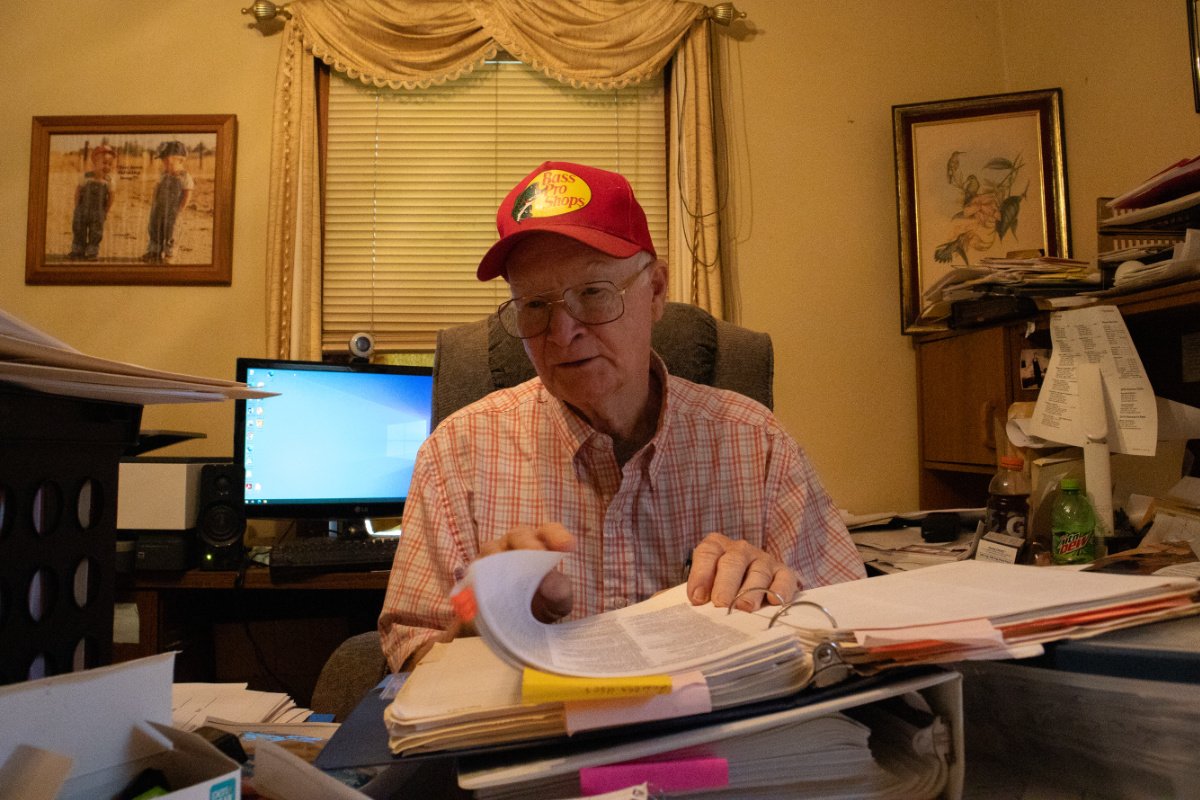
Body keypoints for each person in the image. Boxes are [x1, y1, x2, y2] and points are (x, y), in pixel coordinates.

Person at [379, 161, 864, 672]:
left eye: (593, 294)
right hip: (540, 742)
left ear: (655, 291)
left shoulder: (756, 443)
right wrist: (482, 612)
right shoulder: (459, 450)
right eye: (535, 305)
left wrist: (776, 591)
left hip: (720, 738)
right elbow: (411, 651)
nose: (562, 332)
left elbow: (850, 627)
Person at [142, 139, 194, 262]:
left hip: (173, 210)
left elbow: (187, 193)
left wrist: (180, 208)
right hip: (159, 207)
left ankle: (169, 253)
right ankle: (154, 250)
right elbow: (157, 188)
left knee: (172, 230)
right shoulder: (164, 174)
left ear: (180, 160)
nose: (164, 163)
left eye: (168, 161)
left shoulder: (185, 177)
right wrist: (154, 202)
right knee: (155, 227)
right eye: (163, 161)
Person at [68, 143, 117, 260]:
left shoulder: (109, 181)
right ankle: (78, 249)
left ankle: (92, 251)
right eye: (104, 163)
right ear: (95, 162)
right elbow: (78, 192)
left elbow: (111, 196)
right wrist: (77, 208)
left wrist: (106, 211)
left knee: (96, 232)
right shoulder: (85, 177)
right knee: (79, 229)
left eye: (110, 164)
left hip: (98, 212)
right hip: (82, 210)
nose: (107, 166)